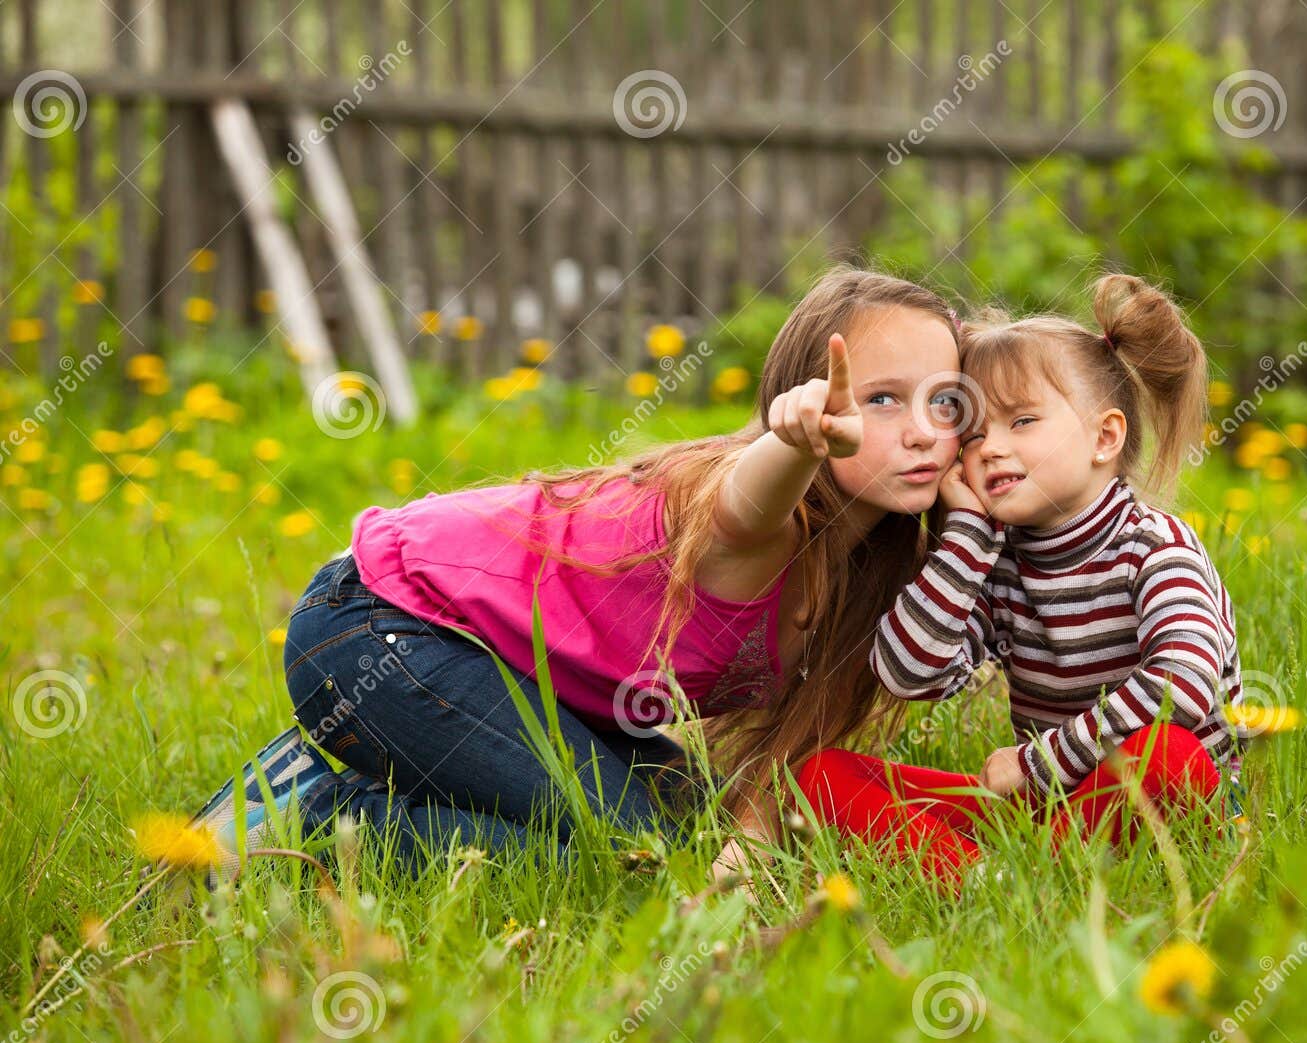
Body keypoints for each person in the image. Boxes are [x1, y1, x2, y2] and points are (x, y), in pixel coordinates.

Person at [186, 267, 970, 882]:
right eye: (881, 400)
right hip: (380, 630)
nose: (923, 431)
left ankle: (363, 779)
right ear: (806, 401)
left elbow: (788, 758)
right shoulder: (758, 511)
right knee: (629, 850)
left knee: (689, 831)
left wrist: (737, 872)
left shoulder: (873, 579)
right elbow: (748, 501)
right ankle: (303, 815)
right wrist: (794, 443)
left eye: (944, 402)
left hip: (514, 678)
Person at [796, 274, 1245, 885]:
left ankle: (1027, 876)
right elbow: (905, 672)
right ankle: (994, 880)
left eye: (1022, 421)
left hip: (1158, 797)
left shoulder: (1155, 548)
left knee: (1166, 754)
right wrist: (968, 534)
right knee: (823, 775)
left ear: (1104, 437)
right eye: (975, 434)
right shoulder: (998, 563)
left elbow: (1182, 688)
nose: (990, 449)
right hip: (1047, 810)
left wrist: (1038, 764)